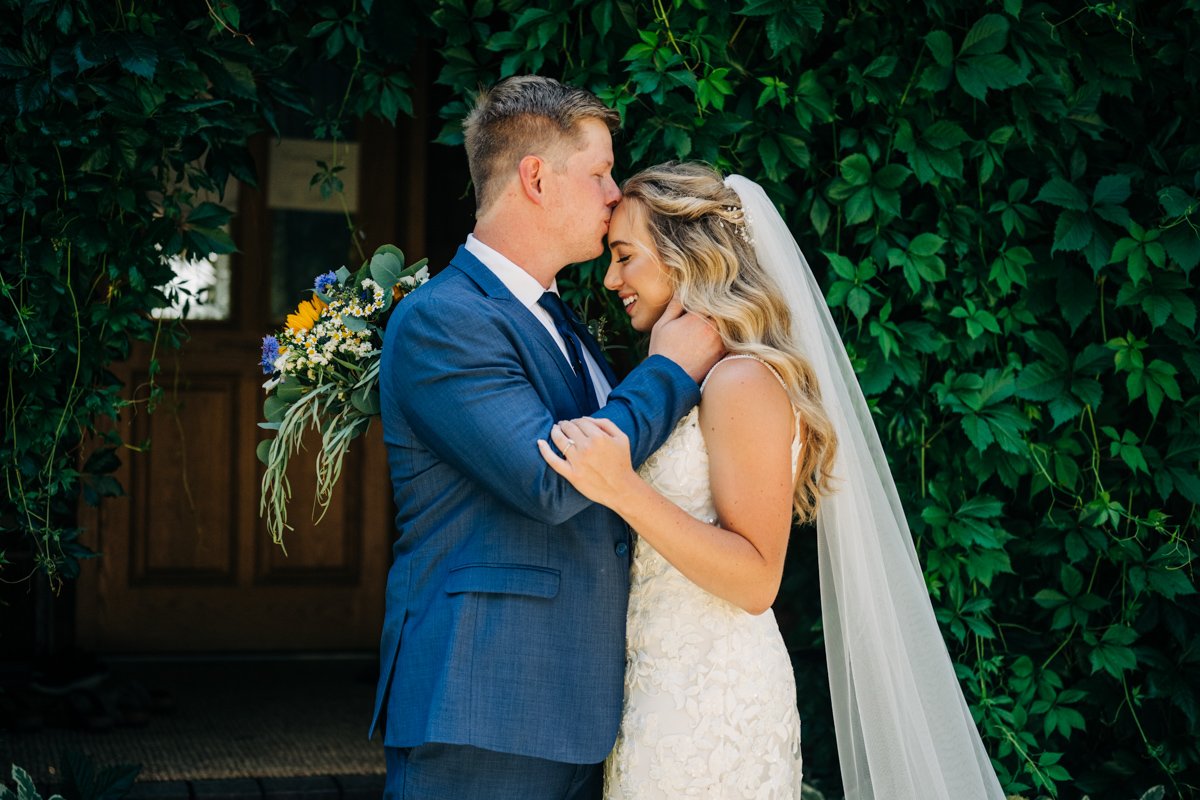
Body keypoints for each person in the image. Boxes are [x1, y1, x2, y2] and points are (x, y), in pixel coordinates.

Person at [540, 162, 1006, 799]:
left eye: (625, 256)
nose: (610, 277)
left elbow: (757, 578)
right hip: (658, 685)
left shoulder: (741, 382)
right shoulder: (692, 382)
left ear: (685, 258)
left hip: (712, 703)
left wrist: (622, 488)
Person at [370, 78, 724, 800]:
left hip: (579, 703)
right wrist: (672, 370)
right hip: (484, 702)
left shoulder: (560, 322)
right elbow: (558, 479)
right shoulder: (446, 320)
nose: (611, 192)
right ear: (535, 176)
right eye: (598, 171)